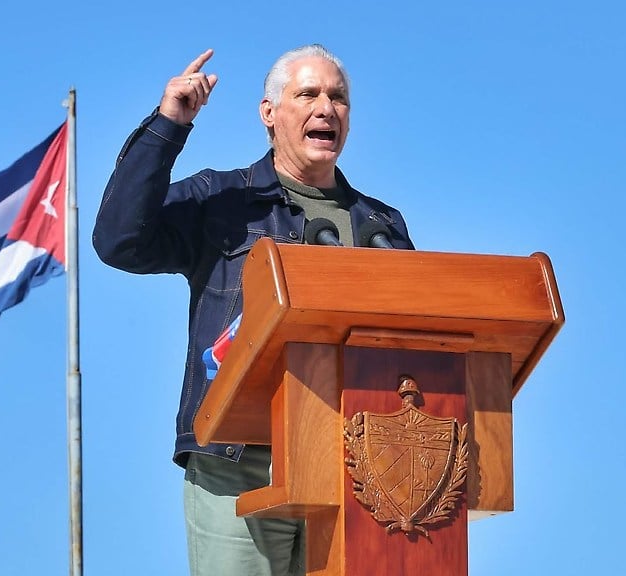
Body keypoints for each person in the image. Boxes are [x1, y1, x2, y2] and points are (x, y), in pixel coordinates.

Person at [92, 44, 416, 576]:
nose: (326, 108)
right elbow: (119, 240)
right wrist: (169, 125)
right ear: (269, 112)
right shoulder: (220, 200)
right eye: (307, 94)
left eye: (338, 97)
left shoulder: (382, 226)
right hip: (238, 458)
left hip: (357, 464)